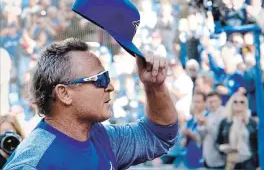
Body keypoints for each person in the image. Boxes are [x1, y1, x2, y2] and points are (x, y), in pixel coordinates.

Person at [3, 38, 178, 170]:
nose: (110, 87)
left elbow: (158, 136)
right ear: (64, 93)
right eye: (100, 80)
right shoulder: (32, 163)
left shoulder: (102, 137)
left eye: (107, 78)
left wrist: (155, 86)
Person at [216, 92, 258, 169]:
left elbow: (257, 144)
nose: (238, 104)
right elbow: (218, 142)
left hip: (249, 161)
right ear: (231, 104)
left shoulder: (251, 122)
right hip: (231, 161)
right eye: (235, 102)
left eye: (242, 102)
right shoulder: (225, 122)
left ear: (246, 104)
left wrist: (257, 164)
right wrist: (222, 148)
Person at [197, 91, 226, 169]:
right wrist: (200, 126)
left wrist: (206, 123)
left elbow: (219, 137)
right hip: (208, 158)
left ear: (220, 101)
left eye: (215, 101)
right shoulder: (208, 115)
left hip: (219, 160)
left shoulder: (224, 114)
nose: (212, 104)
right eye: (210, 102)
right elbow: (201, 140)